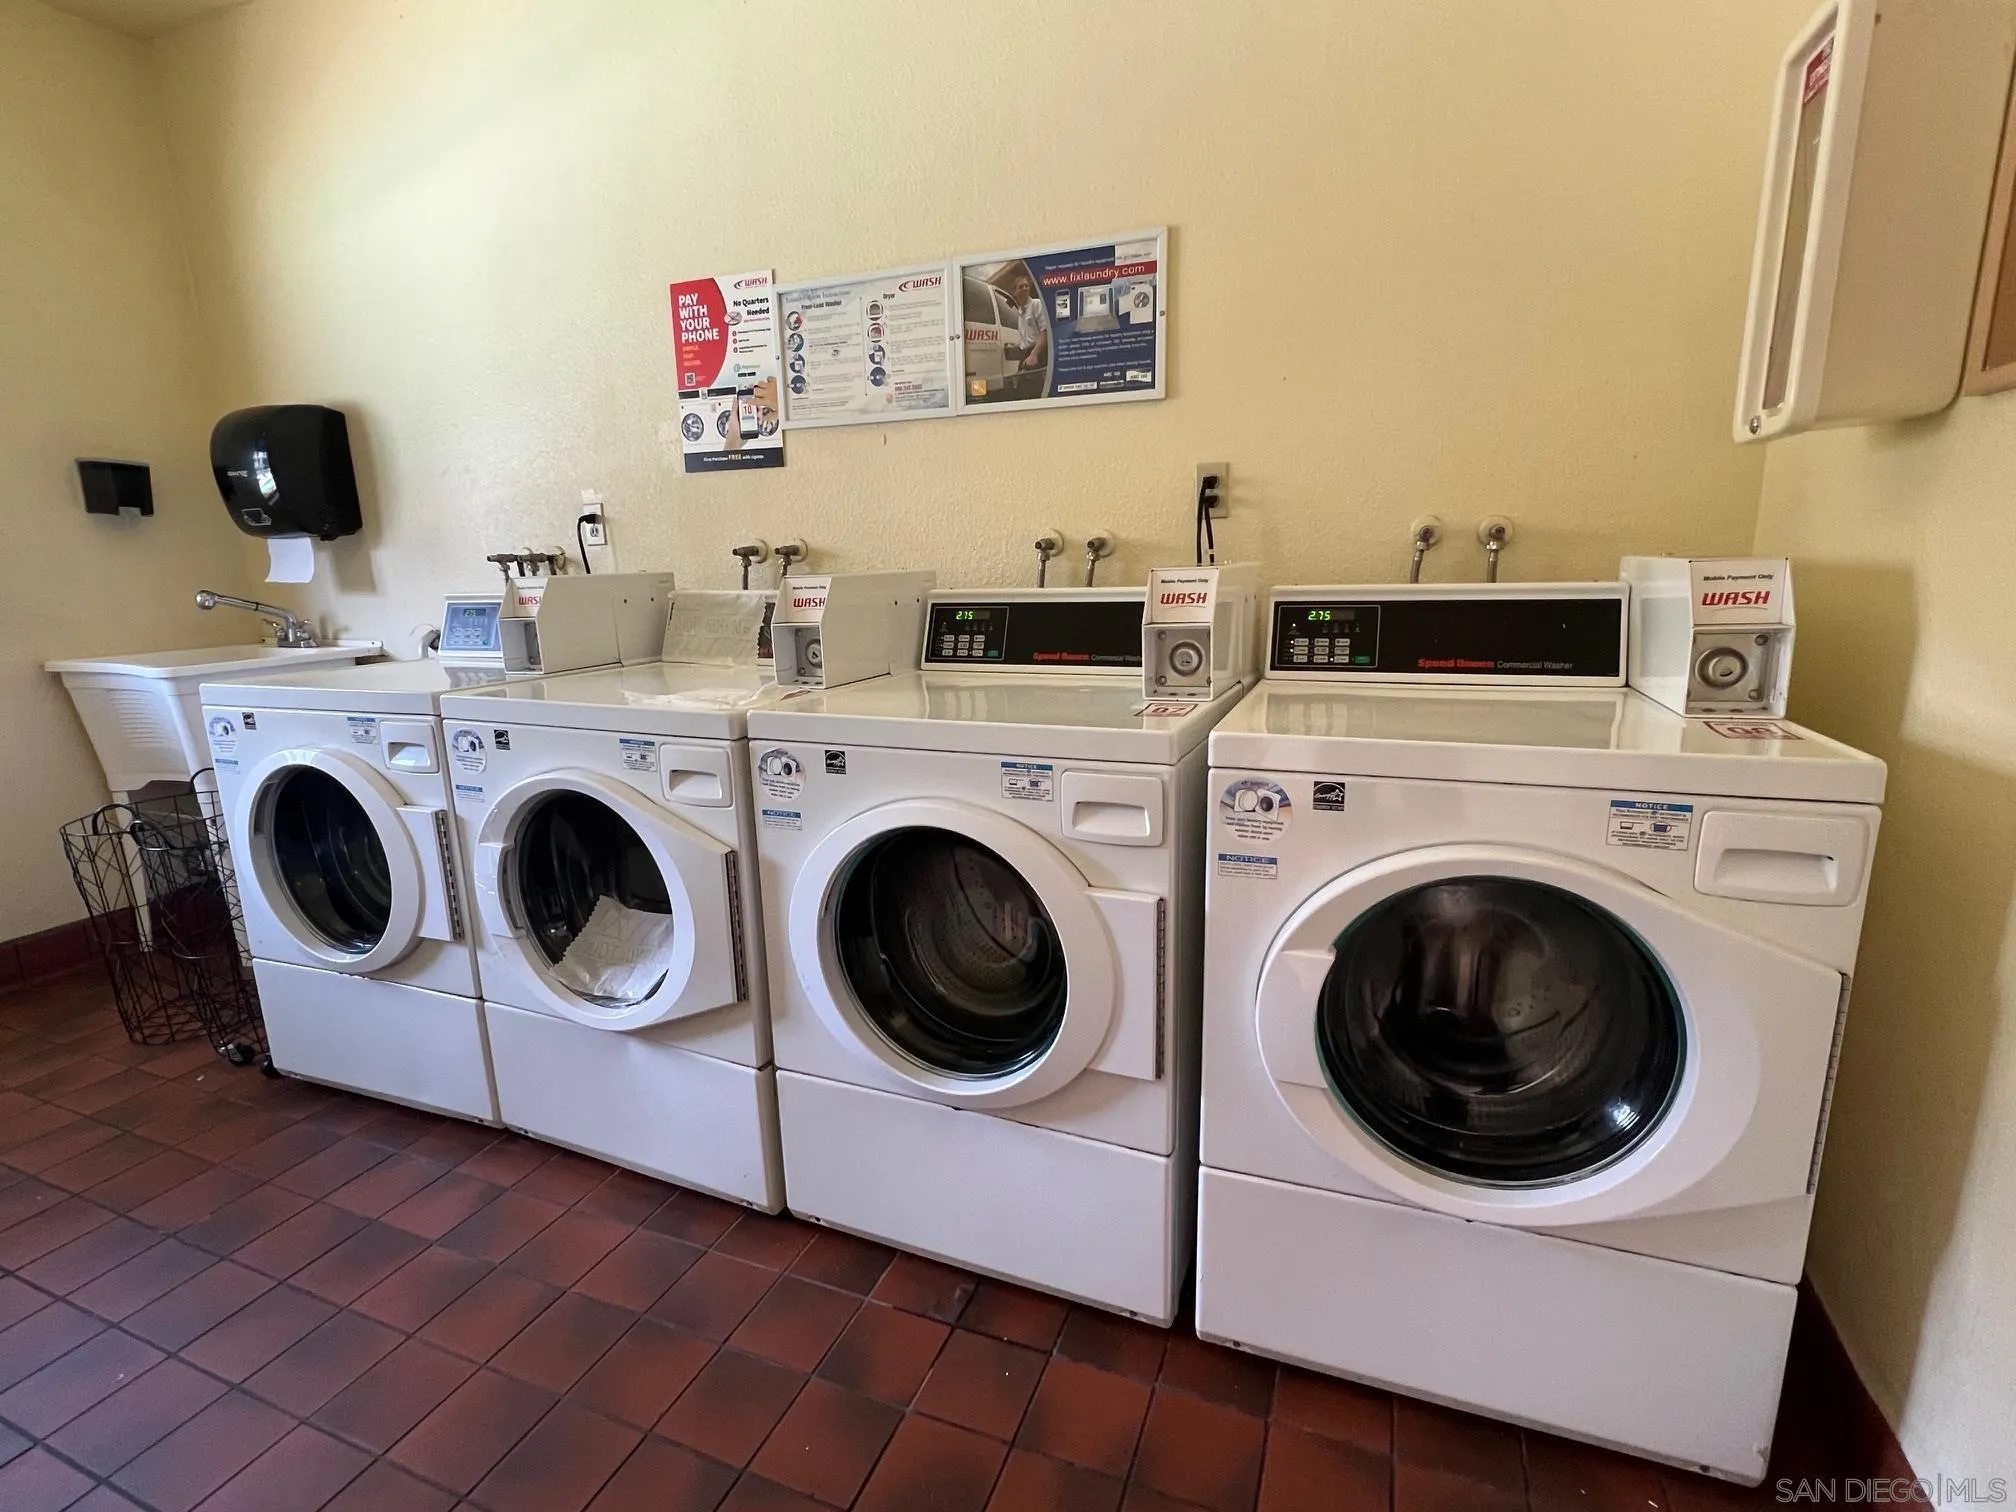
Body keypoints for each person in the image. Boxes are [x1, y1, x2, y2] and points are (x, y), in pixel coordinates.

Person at [1006, 268, 1049, 377]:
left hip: (1039, 354)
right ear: (1014, 292)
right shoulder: (1019, 313)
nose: (1025, 288)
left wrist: (1034, 355)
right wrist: (1016, 346)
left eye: (1026, 285)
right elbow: (1028, 338)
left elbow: (1045, 332)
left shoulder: (1036, 304)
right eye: (1021, 287)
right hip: (1025, 355)